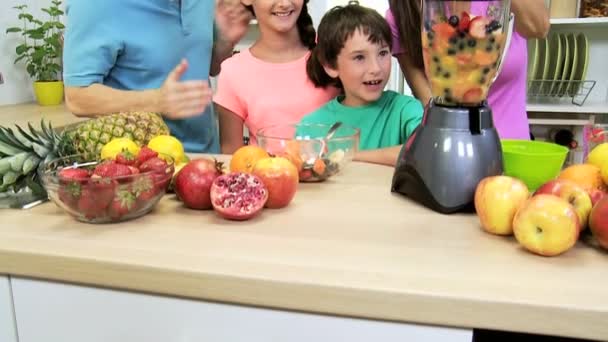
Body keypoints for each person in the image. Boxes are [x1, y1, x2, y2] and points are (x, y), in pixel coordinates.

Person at [62, 0, 252, 153]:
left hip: (205, 163)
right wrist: (155, 101)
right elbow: (78, 97)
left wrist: (224, 42)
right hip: (140, 173)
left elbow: (205, 67)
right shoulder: (92, 5)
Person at [386, 0, 550, 140]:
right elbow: (427, 99)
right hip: (449, 150)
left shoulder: (500, 6)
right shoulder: (406, 10)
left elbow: (539, 26)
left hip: (513, 151)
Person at [301, 2, 423, 167]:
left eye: (382, 53)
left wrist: (352, 155)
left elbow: (425, 151)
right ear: (330, 65)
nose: (376, 68)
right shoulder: (311, 126)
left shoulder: (406, 109)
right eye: (359, 57)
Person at [213, 0, 339, 153]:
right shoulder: (233, 70)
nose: (284, 3)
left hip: (338, 174)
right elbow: (231, 155)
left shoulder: (333, 54)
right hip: (265, 175)